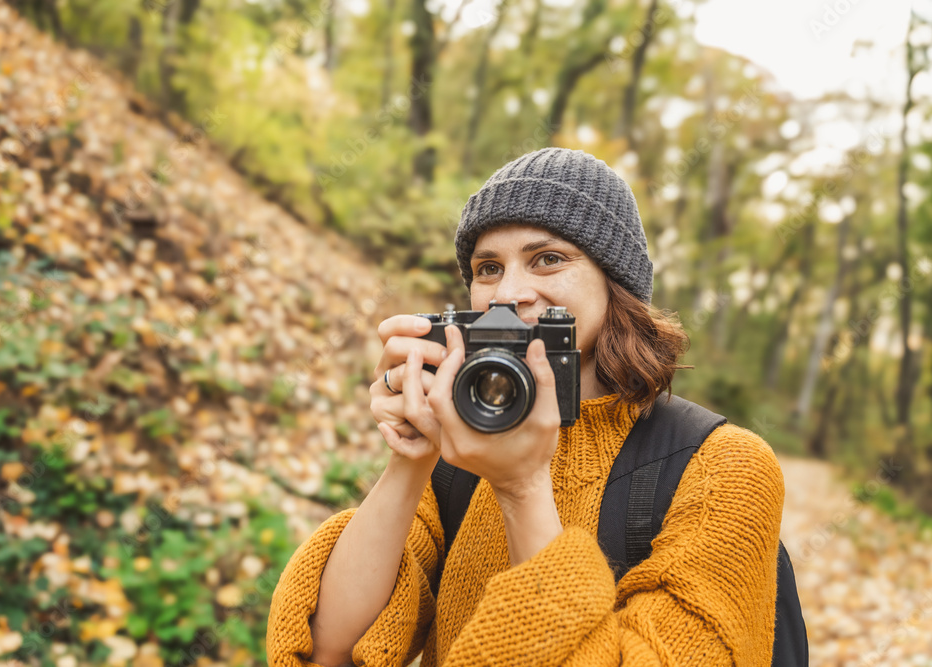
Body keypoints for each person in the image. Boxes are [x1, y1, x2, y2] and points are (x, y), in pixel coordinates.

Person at [266, 147, 785, 666]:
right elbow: (327, 651)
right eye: (488, 268)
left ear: (615, 282)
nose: (509, 294)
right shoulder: (460, 453)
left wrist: (522, 488)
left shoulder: (724, 468)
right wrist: (412, 456)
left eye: (549, 258)